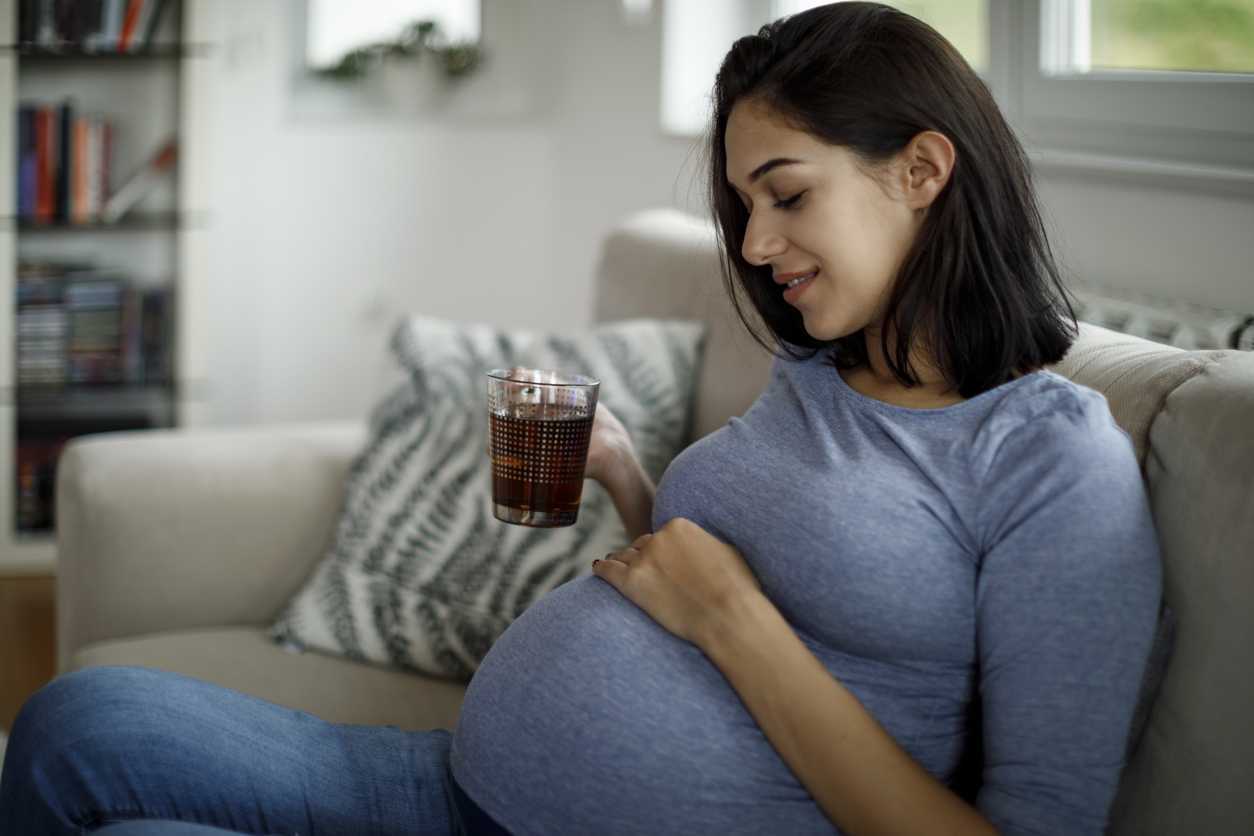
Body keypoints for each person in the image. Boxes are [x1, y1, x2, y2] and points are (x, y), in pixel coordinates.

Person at [0, 3, 1161, 835]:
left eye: (787, 194)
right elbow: (757, 570)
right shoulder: (820, 369)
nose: (755, 247)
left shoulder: (1053, 461)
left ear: (922, 168)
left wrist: (732, 621)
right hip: (457, 776)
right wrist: (624, 476)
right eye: (745, 206)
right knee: (74, 718)